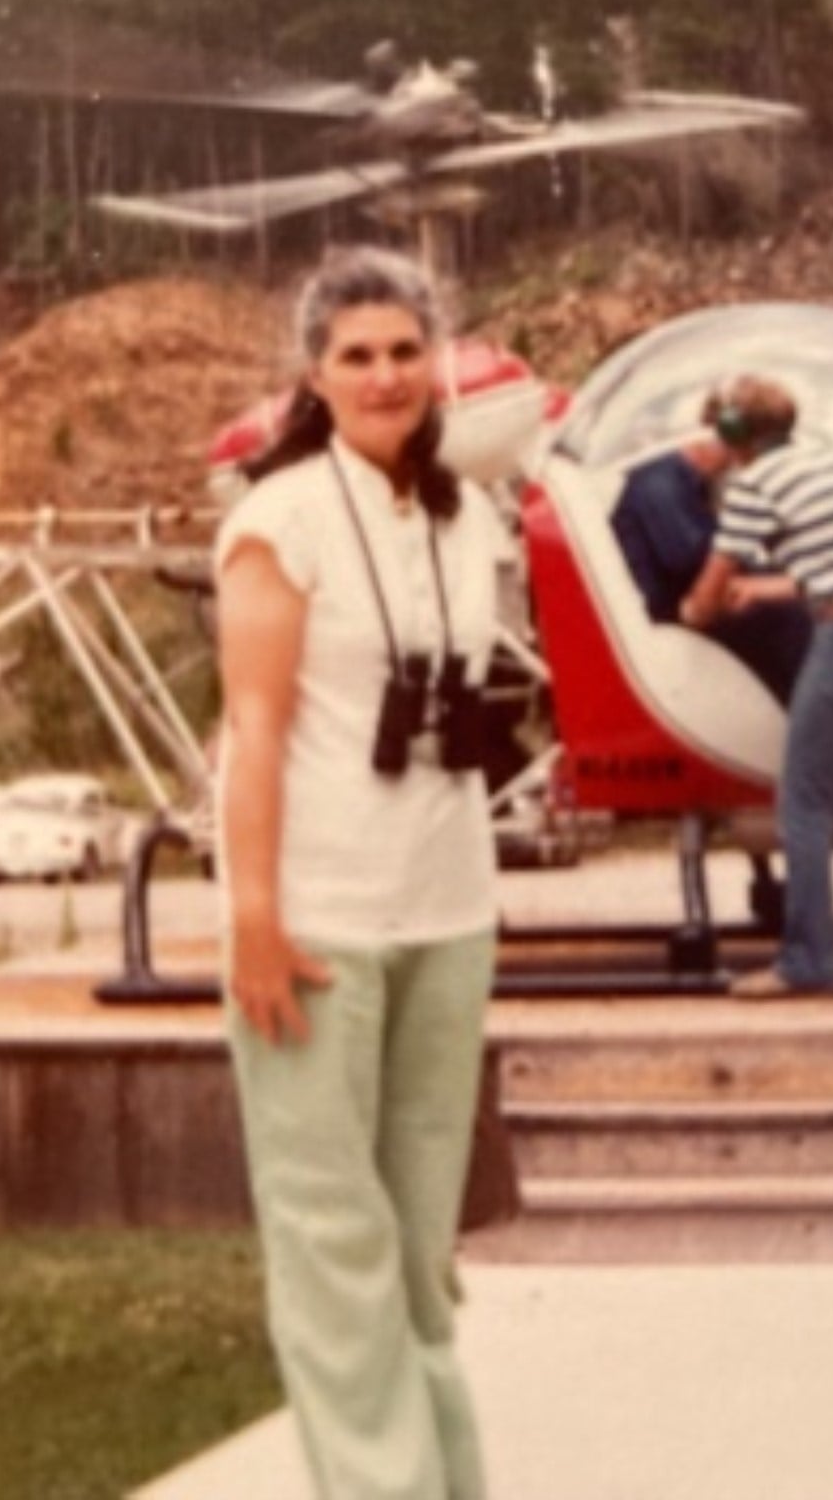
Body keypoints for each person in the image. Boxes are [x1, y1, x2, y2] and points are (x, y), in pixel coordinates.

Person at [215, 245, 501, 1500]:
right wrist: (254, 919)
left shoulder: (466, 516)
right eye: (357, 355)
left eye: (404, 350)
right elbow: (251, 728)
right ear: (315, 375)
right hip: (320, 912)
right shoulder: (277, 521)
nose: (385, 375)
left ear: (437, 362)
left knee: (421, 1246)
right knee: (334, 1238)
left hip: (449, 906)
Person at [680, 375, 833, 996]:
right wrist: (765, 590)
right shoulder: (824, 463)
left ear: (736, 431)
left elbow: (714, 579)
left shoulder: (755, 483)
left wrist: (693, 612)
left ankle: (808, 962)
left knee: (801, 803)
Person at [609, 391, 811, 705]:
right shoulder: (659, 482)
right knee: (787, 618)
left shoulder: (693, 484)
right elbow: (691, 557)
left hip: (696, 597)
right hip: (671, 613)